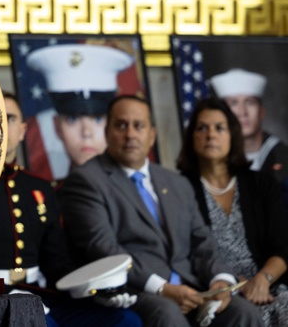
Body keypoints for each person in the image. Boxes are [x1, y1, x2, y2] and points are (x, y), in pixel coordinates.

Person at [60, 95, 262, 326]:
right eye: (121, 125)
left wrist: (220, 280)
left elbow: (202, 242)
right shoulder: (86, 181)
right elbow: (104, 250)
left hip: (192, 286)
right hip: (135, 290)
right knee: (166, 313)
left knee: (243, 312)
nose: (130, 134)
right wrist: (162, 288)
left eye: (139, 126)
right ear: (106, 132)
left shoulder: (176, 182)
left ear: (151, 135)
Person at [0, 94, 141, 327]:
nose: (2, 124)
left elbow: (57, 262)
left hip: (41, 292)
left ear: (23, 130)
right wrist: (5, 294)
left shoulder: (39, 188)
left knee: (124, 320)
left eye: (10, 118)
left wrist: (95, 290)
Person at [177, 97, 288, 325]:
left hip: (268, 285)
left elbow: (283, 246)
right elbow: (183, 256)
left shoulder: (261, 184)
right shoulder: (180, 190)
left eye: (219, 128)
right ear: (191, 138)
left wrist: (262, 280)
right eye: (202, 128)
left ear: (233, 135)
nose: (211, 135)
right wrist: (230, 281)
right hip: (216, 290)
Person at [25, 43, 135, 180]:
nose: (86, 133)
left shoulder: (135, 193)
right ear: (57, 127)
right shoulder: (47, 198)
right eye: (73, 119)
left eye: (98, 119)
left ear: (113, 125)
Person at [209, 68, 288, 205]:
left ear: (262, 112)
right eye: (233, 103)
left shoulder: (284, 156)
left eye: (249, 102)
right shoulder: (210, 161)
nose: (242, 112)